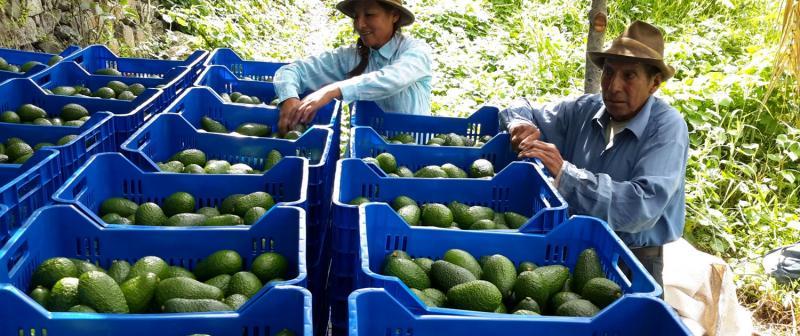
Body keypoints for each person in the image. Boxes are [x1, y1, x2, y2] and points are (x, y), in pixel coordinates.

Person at [499, 21, 688, 287]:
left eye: (629, 76)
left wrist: (566, 174)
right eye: (608, 73)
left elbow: (640, 207)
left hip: (630, 259)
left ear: (654, 83)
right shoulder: (585, 109)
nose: (613, 87)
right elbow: (521, 106)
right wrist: (519, 123)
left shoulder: (667, 128)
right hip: (574, 244)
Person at [274, 0, 432, 134]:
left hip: (413, 149)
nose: (360, 24)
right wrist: (289, 98)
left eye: (369, 15)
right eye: (356, 16)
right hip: (365, 155)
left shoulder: (416, 51)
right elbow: (290, 71)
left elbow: (394, 78)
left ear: (394, 16)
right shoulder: (349, 57)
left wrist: (333, 90)